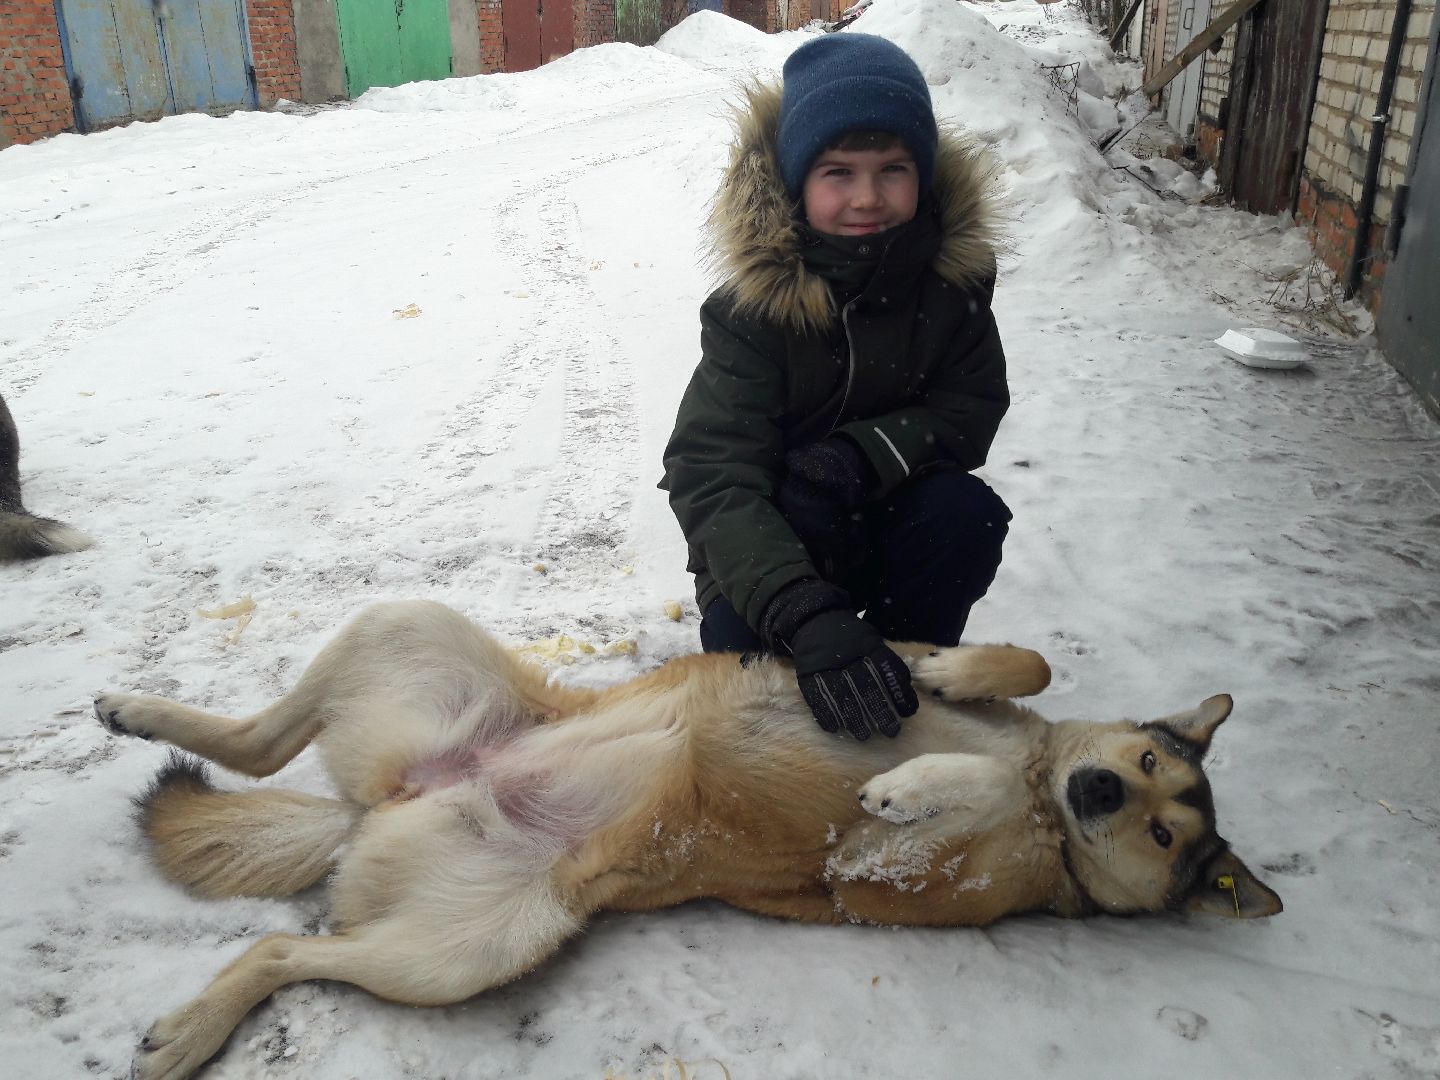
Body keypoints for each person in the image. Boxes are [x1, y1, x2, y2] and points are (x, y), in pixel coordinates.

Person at [661, 33, 1011, 743]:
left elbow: (969, 409)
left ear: (925, 172)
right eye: (837, 172)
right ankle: (820, 651)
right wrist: (801, 610)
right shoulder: (753, 311)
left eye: (893, 169)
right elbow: (710, 474)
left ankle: (900, 672)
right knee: (755, 701)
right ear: (797, 181)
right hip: (774, 543)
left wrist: (861, 456)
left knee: (964, 513)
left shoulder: (952, 287)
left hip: (888, 520)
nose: (868, 198)